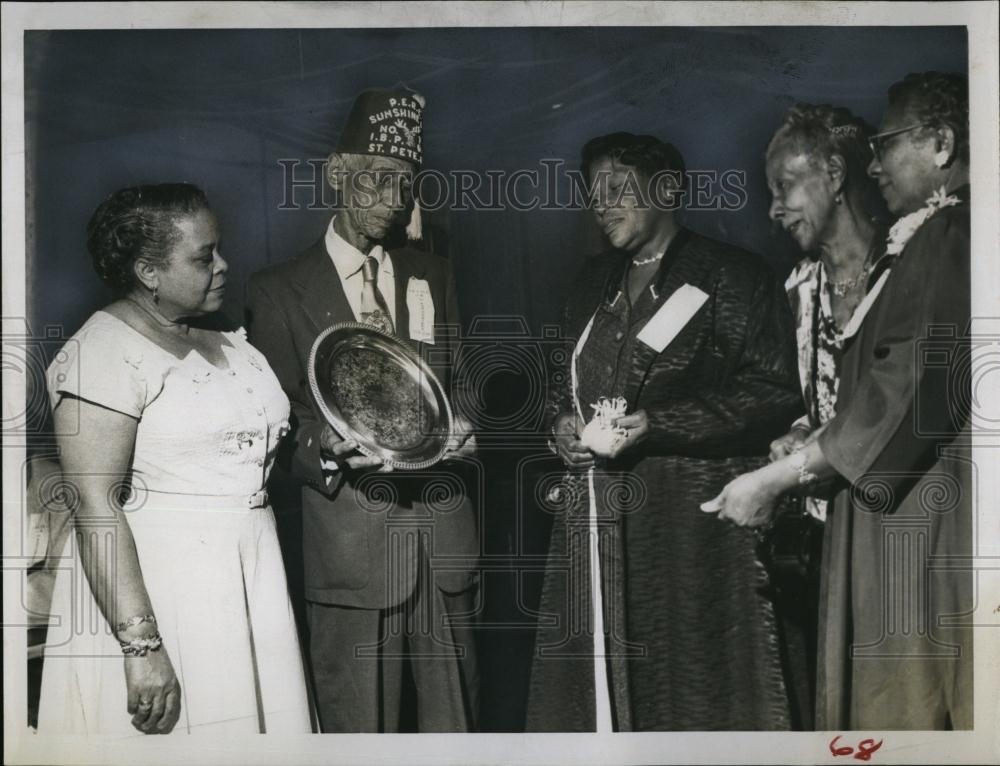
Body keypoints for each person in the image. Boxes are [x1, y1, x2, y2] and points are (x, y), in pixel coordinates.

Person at [706, 71, 972, 730]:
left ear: (941, 143)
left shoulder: (944, 237)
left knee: (910, 709)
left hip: (918, 529)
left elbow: (904, 393)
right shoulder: (813, 284)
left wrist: (777, 477)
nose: (877, 164)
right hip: (864, 533)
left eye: (889, 146)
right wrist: (805, 436)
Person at [525, 132, 804, 731]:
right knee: (591, 684)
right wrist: (562, 426)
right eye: (593, 191)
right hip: (593, 521)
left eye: (618, 187)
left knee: (689, 684)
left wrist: (659, 424)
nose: (601, 203)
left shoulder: (731, 275)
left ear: (668, 189)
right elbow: (561, 385)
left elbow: (773, 393)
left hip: (688, 528)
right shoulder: (589, 283)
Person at [37, 183, 311, 736]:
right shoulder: (105, 350)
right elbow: (95, 508)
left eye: (219, 249)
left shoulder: (230, 340)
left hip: (248, 574)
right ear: (148, 272)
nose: (223, 266)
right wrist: (141, 646)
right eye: (203, 257)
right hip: (161, 589)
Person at [245, 87, 479, 733]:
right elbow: (273, 424)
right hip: (349, 546)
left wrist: (469, 426)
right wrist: (322, 449)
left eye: (407, 184)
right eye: (378, 179)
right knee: (357, 729)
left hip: (441, 538)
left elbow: (462, 384)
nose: (393, 199)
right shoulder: (276, 291)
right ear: (336, 174)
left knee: (457, 731)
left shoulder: (436, 273)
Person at [761, 103, 888, 725]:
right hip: (825, 539)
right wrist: (794, 433)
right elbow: (808, 403)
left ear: (834, 173)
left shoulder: (907, 266)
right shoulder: (800, 287)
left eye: (784, 187)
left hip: (901, 528)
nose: (774, 209)